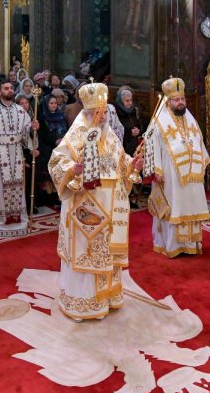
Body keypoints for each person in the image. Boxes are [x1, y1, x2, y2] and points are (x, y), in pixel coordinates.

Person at [48, 83, 143, 320]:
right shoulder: (76, 134)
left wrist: (133, 165)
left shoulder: (109, 135)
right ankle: (83, 302)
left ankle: (107, 298)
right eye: (99, 112)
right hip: (85, 207)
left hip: (111, 209)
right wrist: (73, 169)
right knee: (87, 253)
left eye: (105, 112)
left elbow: (120, 162)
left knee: (107, 253)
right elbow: (56, 163)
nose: (103, 117)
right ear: (88, 113)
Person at [144, 78, 210, 257]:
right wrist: (157, 170)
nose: (181, 103)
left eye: (182, 99)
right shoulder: (159, 120)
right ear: (168, 101)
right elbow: (152, 145)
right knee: (173, 207)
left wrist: (201, 163)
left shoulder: (190, 118)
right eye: (176, 100)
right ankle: (171, 246)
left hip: (191, 174)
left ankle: (190, 245)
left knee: (190, 206)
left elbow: (198, 140)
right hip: (169, 174)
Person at [0, 80, 38, 237]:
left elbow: (26, 133)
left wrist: (32, 129)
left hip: (17, 153)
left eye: (12, 88)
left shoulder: (20, 111)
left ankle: (18, 220)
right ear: (0, 92)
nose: (10, 90)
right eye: (6, 88)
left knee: (17, 185)